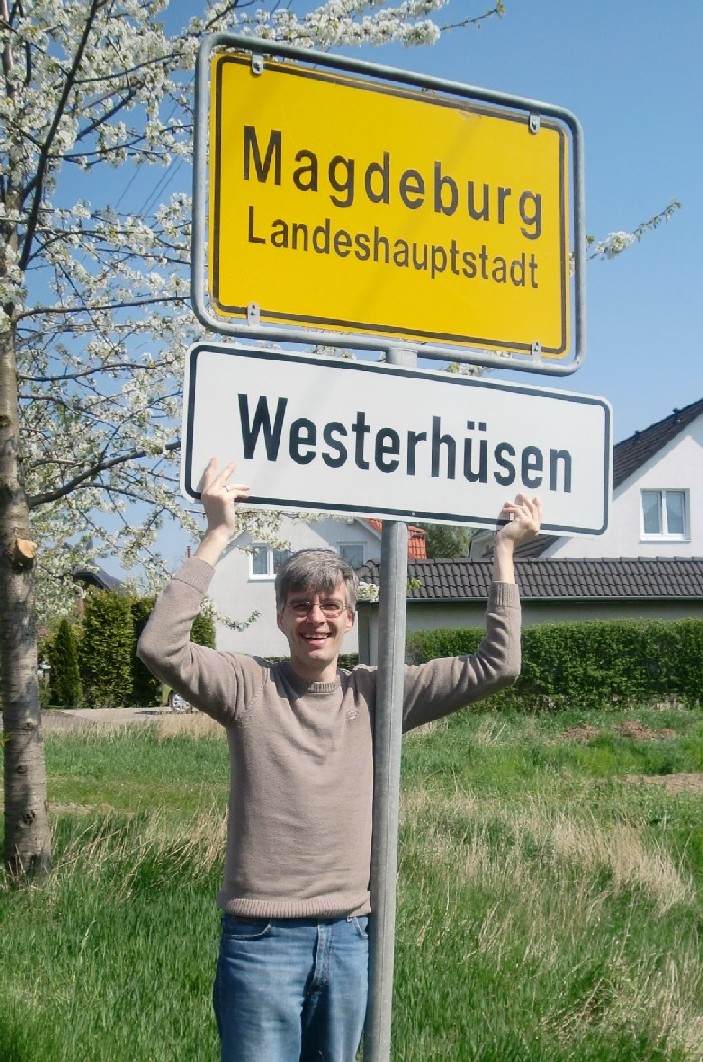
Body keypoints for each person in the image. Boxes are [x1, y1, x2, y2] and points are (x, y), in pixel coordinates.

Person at [137, 458, 542, 1062]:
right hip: (262, 940)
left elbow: (497, 665)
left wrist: (505, 556)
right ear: (280, 618)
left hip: (353, 937)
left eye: (330, 606)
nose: (315, 618)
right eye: (300, 605)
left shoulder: (378, 695)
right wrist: (218, 534)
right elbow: (160, 647)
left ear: (351, 619)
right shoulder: (248, 686)